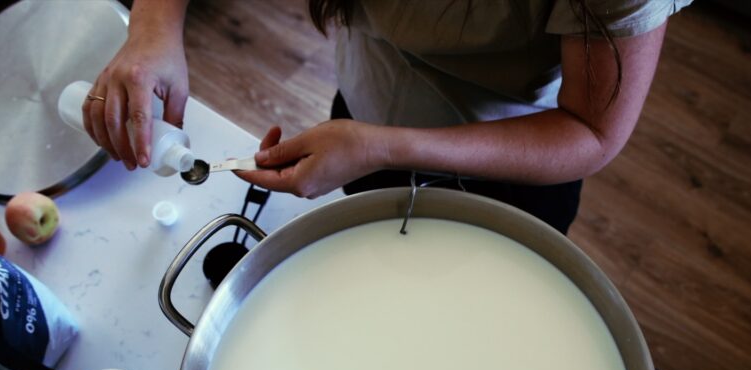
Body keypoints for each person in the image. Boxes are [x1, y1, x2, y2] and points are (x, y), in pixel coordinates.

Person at [83, 0, 691, 234]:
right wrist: (153, 27)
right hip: (362, 120)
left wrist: (384, 146)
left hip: (510, 172)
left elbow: (590, 130)